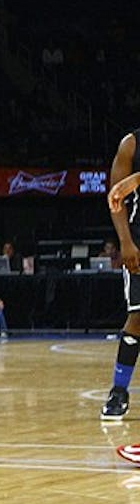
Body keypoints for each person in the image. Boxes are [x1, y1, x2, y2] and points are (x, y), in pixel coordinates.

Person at [102, 161, 140, 421]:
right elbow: (116, 196)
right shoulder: (131, 144)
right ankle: (119, 391)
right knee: (138, 317)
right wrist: (125, 242)